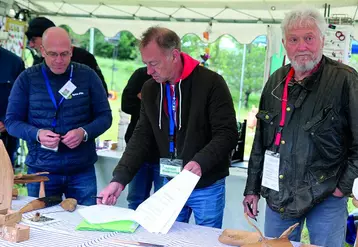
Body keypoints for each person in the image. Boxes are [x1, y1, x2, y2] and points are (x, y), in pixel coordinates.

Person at [98, 26, 238, 228]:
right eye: (146, 64)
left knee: (205, 241)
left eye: (154, 63)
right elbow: (142, 136)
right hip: (170, 184)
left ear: (174, 55)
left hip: (206, 185)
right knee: (167, 237)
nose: (148, 71)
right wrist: (119, 180)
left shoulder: (211, 83)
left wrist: (199, 162)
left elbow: (227, 133)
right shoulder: (150, 88)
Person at [243, 7, 358, 247]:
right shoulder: (276, 80)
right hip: (279, 195)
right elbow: (261, 139)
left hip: (326, 194)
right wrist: (251, 188)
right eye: (294, 40)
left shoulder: (345, 79)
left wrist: (342, 188)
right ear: (285, 43)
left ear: (322, 40)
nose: (301, 46)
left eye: (309, 38)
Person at [5, 27, 112, 206]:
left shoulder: (87, 75)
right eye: (53, 54)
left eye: (64, 54)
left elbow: (105, 116)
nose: (59, 60)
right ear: (42, 51)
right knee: (40, 225)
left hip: (81, 170)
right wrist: (37, 134)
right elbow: (11, 122)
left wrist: (84, 132)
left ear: (72, 51)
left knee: (85, 225)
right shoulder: (27, 79)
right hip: (42, 171)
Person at [25, 17, 109, 96]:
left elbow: (101, 92)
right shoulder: (39, 62)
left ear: (47, 37)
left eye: (33, 39)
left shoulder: (84, 58)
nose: (31, 45)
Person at [121, 67, 163, 210]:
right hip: (138, 152)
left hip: (164, 155)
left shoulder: (176, 80)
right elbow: (126, 104)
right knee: (135, 200)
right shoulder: (141, 74)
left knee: (163, 204)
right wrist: (153, 104)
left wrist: (145, 98)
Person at [0, 47, 25, 166]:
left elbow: (23, 99)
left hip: (4, 138)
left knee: (4, 180)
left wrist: (6, 120)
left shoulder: (14, 62)